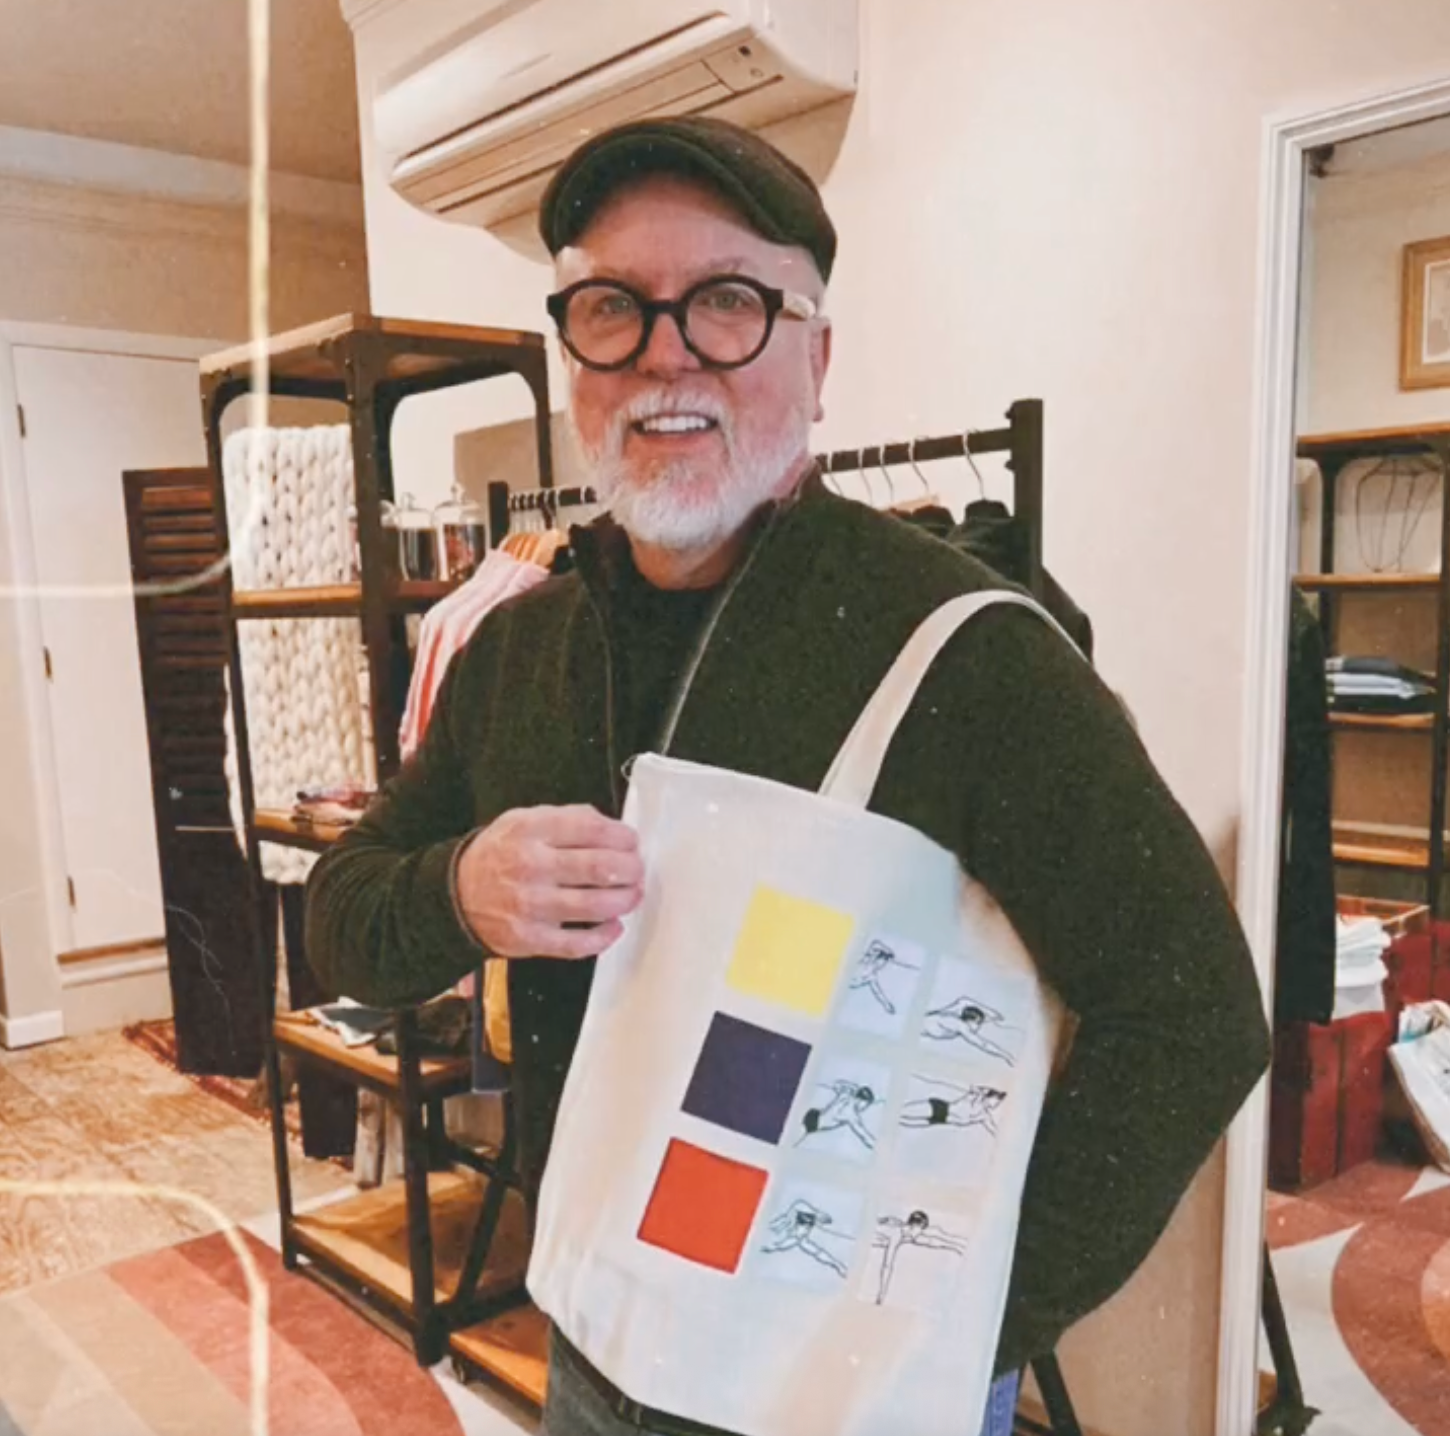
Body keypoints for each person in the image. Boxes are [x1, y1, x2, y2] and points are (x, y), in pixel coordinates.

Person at [305, 115, 1271, 1436]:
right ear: (570, 355)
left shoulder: (964, 650)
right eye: (609, 308)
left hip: (848, 1385)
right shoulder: (517, 646)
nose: (662, 357)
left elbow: (1192, 1016)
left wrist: (966, 1313)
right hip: (594, 1324)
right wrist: (460, 891)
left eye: (726, 304)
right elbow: (345, 925)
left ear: (816, 358)